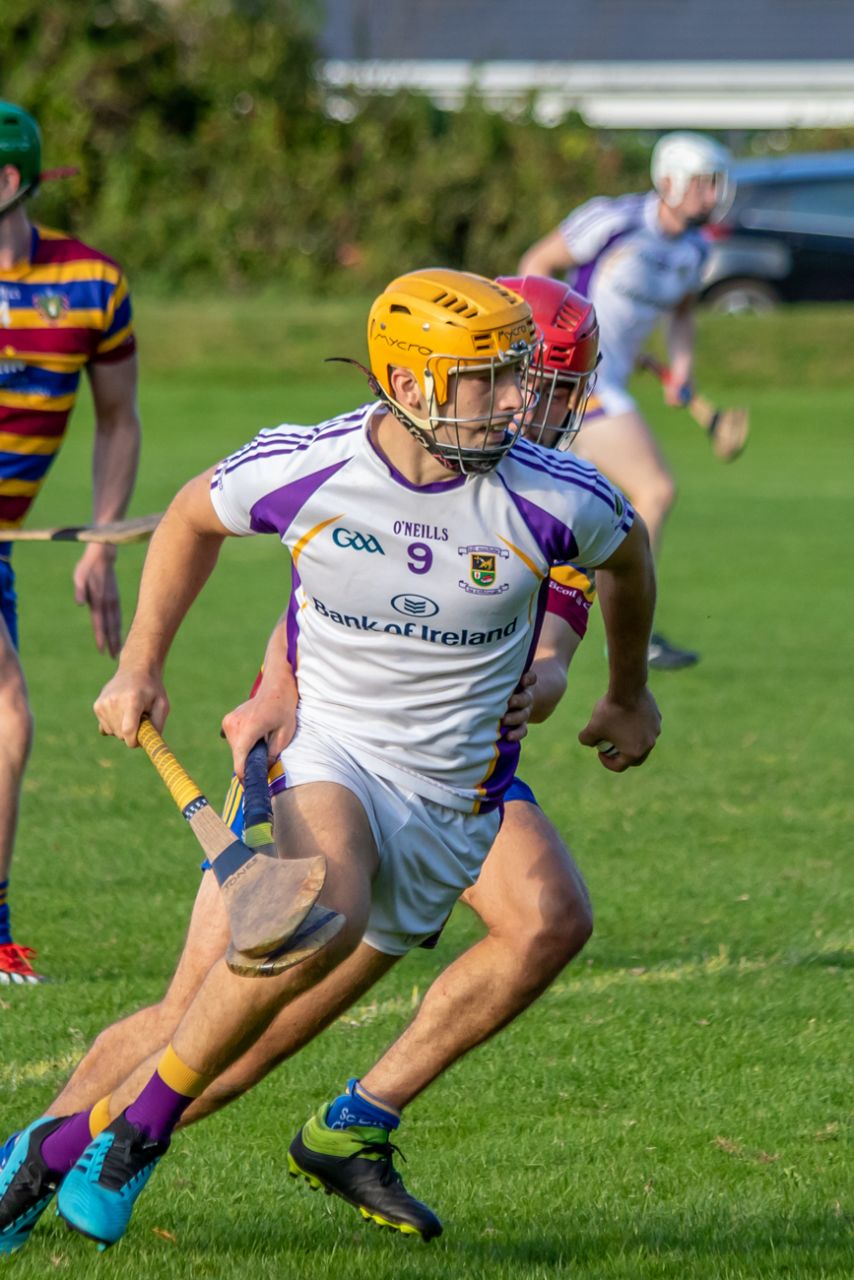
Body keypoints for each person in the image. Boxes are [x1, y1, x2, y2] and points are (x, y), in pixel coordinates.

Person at [0, 268, 659, 1255]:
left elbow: (627, 559)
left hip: (451, 809)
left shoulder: (553, 497)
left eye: (524, 377)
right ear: (413, 382)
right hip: (330, 756)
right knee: (316, 911)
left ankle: (51, 1150)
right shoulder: (310, 465)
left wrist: (622, 690)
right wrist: (145, 665)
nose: (520, 401)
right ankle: (118, 1134)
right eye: (493, 379)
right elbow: (194, 519)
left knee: (228, 1055)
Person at [0, 102, 141, 983]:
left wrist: (100, 540)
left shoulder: (92, 283)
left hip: (7, 541)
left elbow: (119, 422)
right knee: (7, 715)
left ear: (9, 182)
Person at [519, 130, 733, 670]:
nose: (713, 195)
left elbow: (682, 313)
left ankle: (540, 611)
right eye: (703, 184)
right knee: (653, 490)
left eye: (717, 184)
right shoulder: (611, 221)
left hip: (611, 381)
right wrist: (553, 346)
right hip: (575, 385)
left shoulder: (695, 248)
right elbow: (535, 265)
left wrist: (680, 366)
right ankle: (631, 633)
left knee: (555, 499)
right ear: (668, 182)